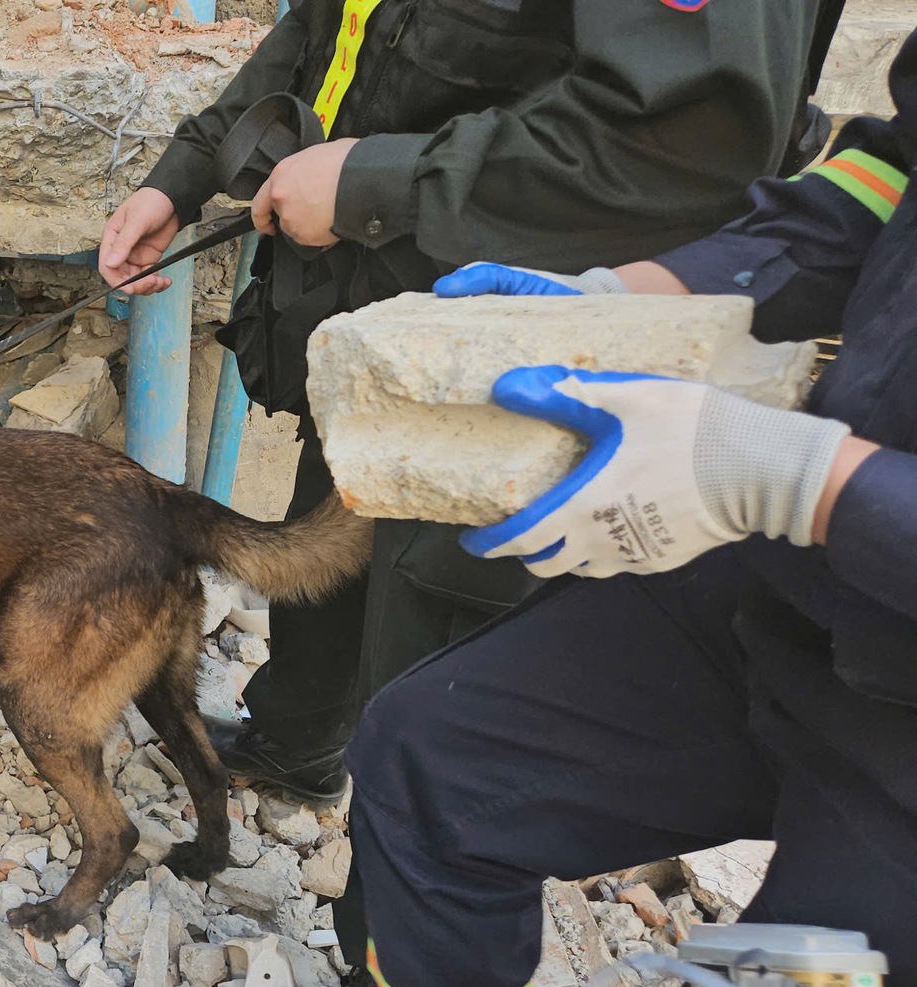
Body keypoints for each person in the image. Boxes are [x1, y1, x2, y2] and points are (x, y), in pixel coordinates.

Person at [190, 26, 917, 987]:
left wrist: (786, 473)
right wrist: (634, 293)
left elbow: (685, 121)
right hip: (808, 587)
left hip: (897, 733)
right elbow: (878, 182)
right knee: (436, 752)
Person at [98, 0, 843, 807]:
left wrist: (377, 181)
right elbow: (332, 26)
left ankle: (393, 887)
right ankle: (299, 741)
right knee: (331, 516)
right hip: (380, 309)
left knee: (440, 738)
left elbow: (693, 138)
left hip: (517, 350)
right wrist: (191, 170)